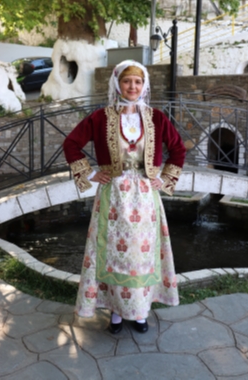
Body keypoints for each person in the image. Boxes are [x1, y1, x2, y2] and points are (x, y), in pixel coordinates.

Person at [63, 60, 186, 334]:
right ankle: (116, 311)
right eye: (128, 81)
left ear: (144, 86)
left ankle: (140, 312)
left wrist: (164, 179)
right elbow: (71, 143)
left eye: (138, 82)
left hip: (144, 197)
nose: (133, 86)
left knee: (140, 256)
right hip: (113, 196)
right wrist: (90, 173)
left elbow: (178, 149)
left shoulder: (156, 117)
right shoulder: (100, 117)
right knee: (113, 254)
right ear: (118, 83)